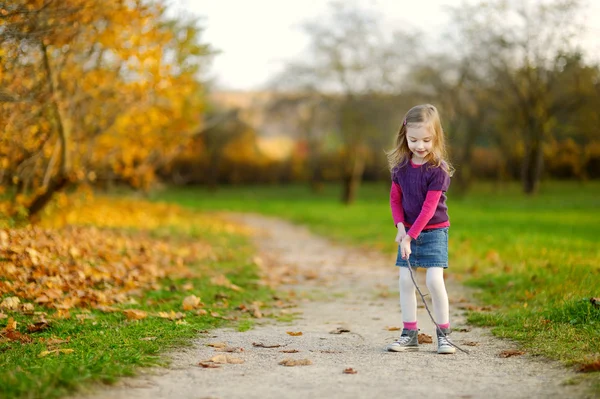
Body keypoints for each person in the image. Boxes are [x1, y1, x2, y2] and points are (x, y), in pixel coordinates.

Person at [385, 104, 456, 354]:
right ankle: (409, 334)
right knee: (406, 281)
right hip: (408, 233)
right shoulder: (400, 168)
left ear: (436, 137)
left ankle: (444, 335)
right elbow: (395, 200)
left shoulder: (438, 170)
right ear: (404, 135)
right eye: (414, 139)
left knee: (434, 281)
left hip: (434, 231)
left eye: (426, 140)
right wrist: (401, 228)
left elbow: (428, 209)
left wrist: (410, 236)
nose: (420, 146)